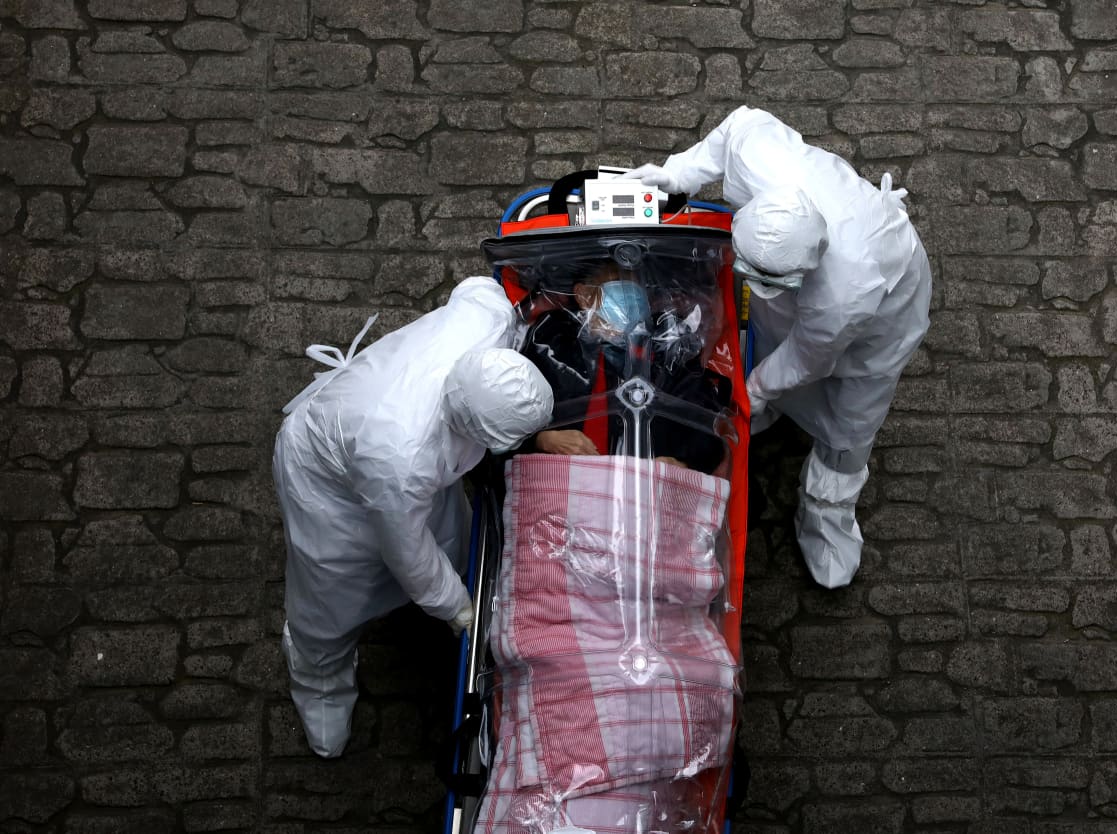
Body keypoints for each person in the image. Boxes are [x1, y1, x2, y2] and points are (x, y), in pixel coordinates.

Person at [625, 105, 932, 589]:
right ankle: (765, 414)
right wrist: (676, 172)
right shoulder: (760, 155)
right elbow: (733, 130)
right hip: (813, 295)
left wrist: (756, 388)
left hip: (884, 315)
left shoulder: (845, 295)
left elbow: (808, 358)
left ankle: (827, 514)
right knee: (768, 331)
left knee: (852, 418)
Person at [272, 277, 554, 758]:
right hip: (324, 480)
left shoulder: (484, 322)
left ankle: (460, 589)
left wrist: (527, 312)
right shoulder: (398, 459)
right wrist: (455, 608)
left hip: (389, 445)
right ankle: (318, 677)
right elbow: (406, 551)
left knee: (451, 535)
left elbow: (478, 289)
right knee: (331, 593)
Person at [519, 262, 733, 476]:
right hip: (564, 490)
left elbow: (709, 431)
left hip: (649, 496)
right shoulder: (552, 342)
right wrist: (544, 439)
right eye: (620, 280)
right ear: (584, 295)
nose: (633, 290)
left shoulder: (669, 346)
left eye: (637, 281)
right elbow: (504, 420)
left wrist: (683, 464)